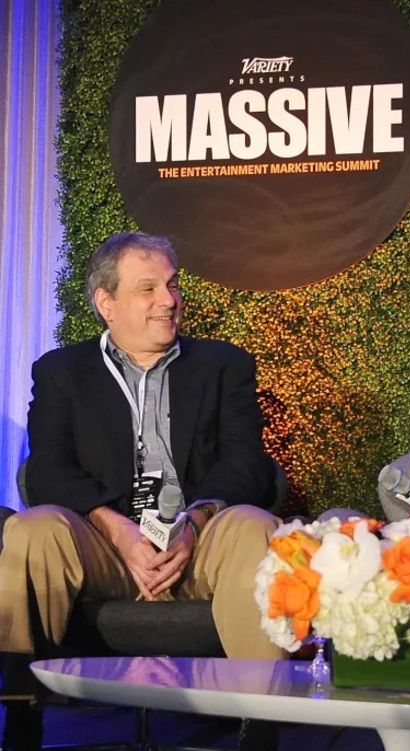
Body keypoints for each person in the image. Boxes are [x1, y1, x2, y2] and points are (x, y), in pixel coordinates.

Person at [0, 232, 283, 751]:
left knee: (254, 527)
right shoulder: (62, 372)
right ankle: (19, 722)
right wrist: (116, 528)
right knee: (32, 529)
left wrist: (194, 524)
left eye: (172, 286)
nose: (169, 300)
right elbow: (47, 471)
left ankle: (259, 732)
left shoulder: (224, 366)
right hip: (101, 547)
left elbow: (248, 465)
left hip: (200, 544)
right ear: (106, 302)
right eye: (148, 288)